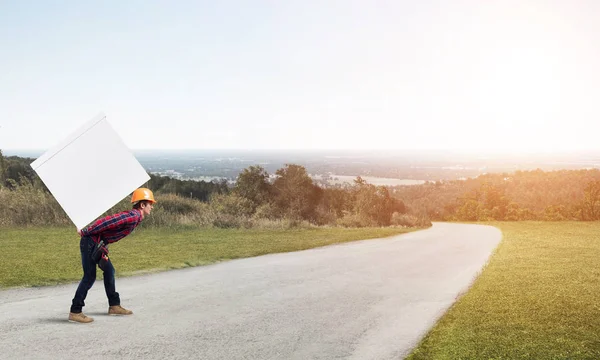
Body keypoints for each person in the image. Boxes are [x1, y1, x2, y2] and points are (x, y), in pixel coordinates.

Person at [68, 188, 156, 323]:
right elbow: (107, 221)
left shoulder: (136, 217)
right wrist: (86, 231)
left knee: (109, 271)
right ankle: (75, 311)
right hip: (90, 242)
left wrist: (104, 245)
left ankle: (114, 306)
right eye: (150, 203)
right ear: (142, 205)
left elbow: (110, 230)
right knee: (89, 277)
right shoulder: (133, 216)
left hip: (97, 244)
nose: (152, 206)